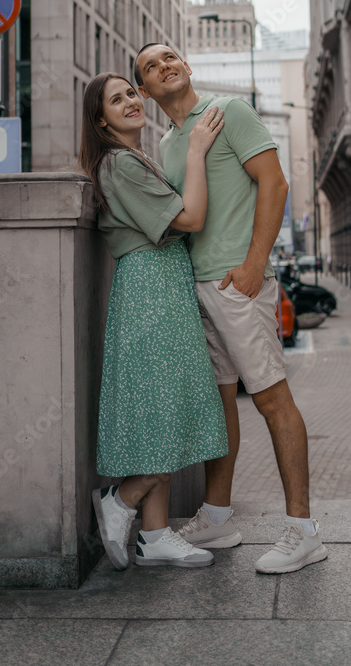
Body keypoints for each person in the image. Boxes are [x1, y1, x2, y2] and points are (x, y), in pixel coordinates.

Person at [135, 44, 328, 575]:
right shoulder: (171, 142)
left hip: (237, 285)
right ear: (146, 91)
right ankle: (218, 516)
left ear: (187, 67)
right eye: (151, 67)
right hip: (194, 286)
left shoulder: (228, 112)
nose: (164, 66)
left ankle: (304, 531)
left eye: (170, 56)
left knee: (271, 400)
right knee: (221, 406)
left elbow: (276, 182)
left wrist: (253, 264)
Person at [78, 71, 229, 570]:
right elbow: (188, 221)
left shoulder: (134, 158)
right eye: (115, 99)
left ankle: (156, 534)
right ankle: (121, 499)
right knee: (162, 404)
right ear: (100, 118)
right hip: (151, 285)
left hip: (158, 281)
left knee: (159, 406)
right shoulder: (120, 162)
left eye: (131, 93)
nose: (130, 102)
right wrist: (197, 150)